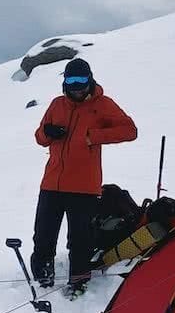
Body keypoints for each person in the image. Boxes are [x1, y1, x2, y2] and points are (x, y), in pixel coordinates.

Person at [32, 57, 137, 292]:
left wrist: (93, 136)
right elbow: (39, 138)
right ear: (65, 82)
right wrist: (47, 132)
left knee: (80, 240)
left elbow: (130, 131)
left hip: (84, 187)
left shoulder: (103, 104)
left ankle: (78, 282)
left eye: (81, 79)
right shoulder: (57, 104)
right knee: (43, 234)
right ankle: (42, 276)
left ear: (90, 79)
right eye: (71, 80)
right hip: (52, 183)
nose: (76, 86)